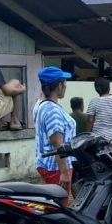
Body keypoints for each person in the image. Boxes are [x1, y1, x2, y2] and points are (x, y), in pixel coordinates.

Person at [34, 67, 75, 205]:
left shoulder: (41, 105)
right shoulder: (53, 111)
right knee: (59, 209)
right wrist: (64, 172)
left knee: (54, 205)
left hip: (49, 164)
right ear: (59, 85)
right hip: (56, 167)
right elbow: (57, 143)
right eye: (65, 83)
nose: (65, 87)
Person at [86, 78, 112, 142]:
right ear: (109, 88)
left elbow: (90, 120)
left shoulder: (94, 102)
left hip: (99, 138)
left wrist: (87, 136)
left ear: (96, 89)